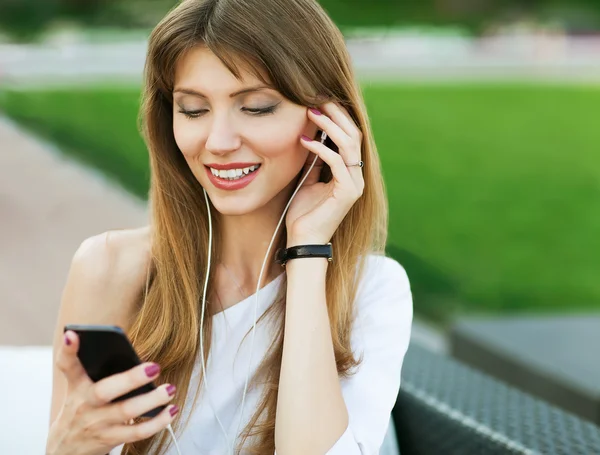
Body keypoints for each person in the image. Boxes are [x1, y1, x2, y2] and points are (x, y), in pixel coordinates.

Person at [45, 0, 413, 454]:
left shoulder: (372, 291)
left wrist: (307, 250)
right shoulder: (110, 268)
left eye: (256, 107)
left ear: (328, 122)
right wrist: (65, 448)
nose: (218, 143)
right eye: (194, 110)